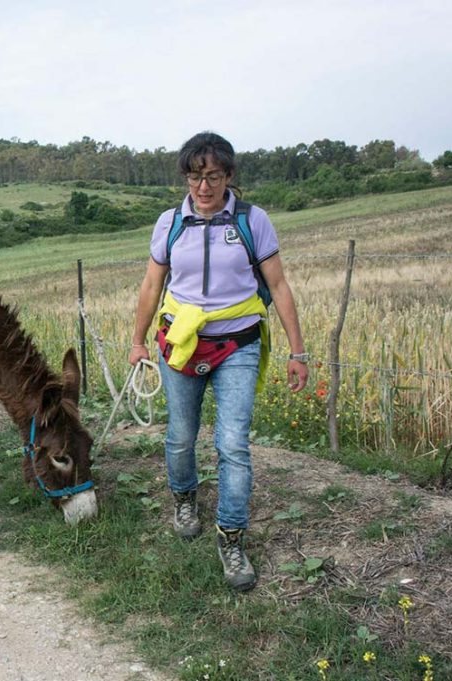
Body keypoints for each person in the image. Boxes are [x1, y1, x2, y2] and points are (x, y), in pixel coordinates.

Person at [127, 131, 308, 592]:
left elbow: (280, 286)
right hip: (180, 345)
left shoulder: (253, 220)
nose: (203, 187)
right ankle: (184, 499)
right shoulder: (170, 223)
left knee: (233, 445)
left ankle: (231, 538)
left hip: (238, 346)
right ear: (186, 177)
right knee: (181, 437)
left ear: (229, 175)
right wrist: (138, 342)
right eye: (194, 176)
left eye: (212, 176)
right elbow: (152, 287)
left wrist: (298, 350)